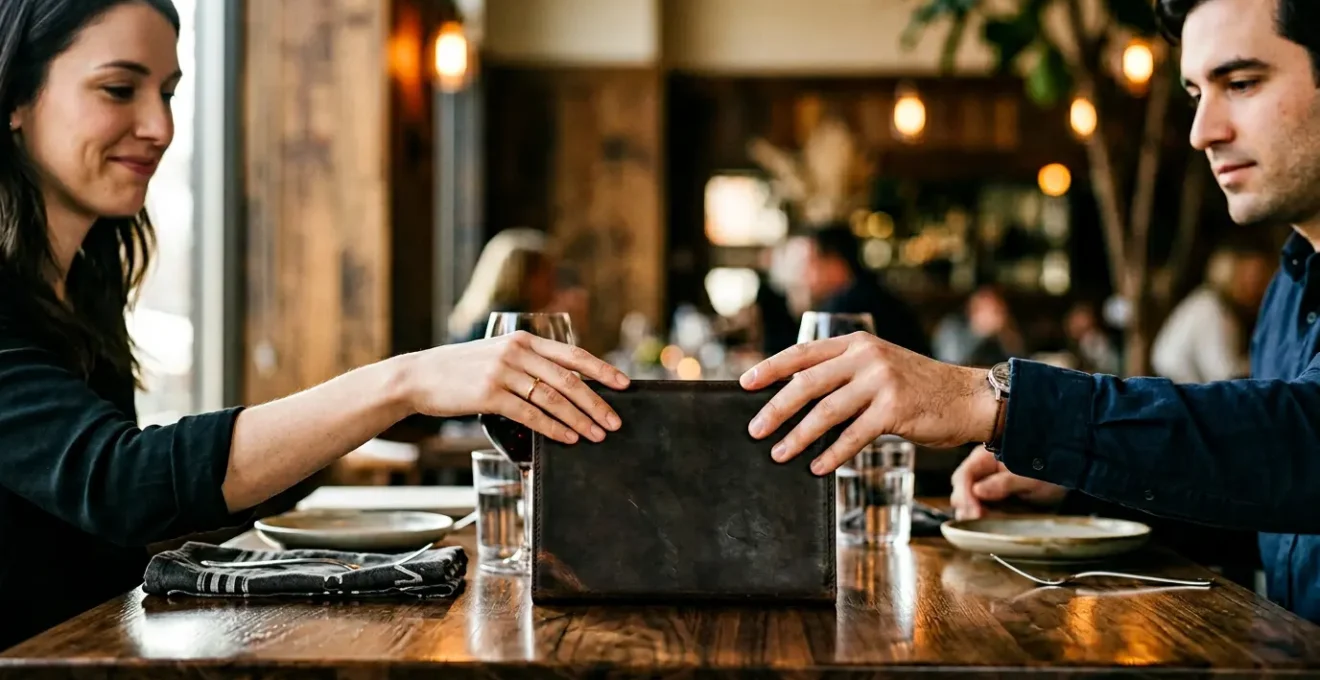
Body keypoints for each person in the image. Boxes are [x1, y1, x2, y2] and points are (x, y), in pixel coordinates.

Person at [0, 0, 630, 648]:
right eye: (118, 89)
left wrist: (328, 458)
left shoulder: (81, 296)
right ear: (15, 96)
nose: (159, 125)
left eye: (167, 93)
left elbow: (109, 525)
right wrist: (405, 381)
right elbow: (119, 484)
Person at [738, 0, 1320, 622]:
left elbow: (1304, 441)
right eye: (1195, 92)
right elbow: (1271, 505)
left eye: (1240, 83)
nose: (1202, 130)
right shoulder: (1291, 285)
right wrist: (1071, 478)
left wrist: (995, 401)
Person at [802, 223, 931, 356]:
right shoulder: (883, 296)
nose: (804, 274)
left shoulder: (841, 311)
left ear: (835, 262)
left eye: (810, 263)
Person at [1151, 244, 1274, 382]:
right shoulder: (1213, 309)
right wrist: (1265, 363)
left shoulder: (1207, 302)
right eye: (1252, 279)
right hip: (1178, 390)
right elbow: (1224, 373)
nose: (1261, 288)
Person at [446, 227, 559, 344]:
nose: (555, 286)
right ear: (523, 279)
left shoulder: (477, 320)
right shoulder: (510, 327)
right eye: (548, 277)